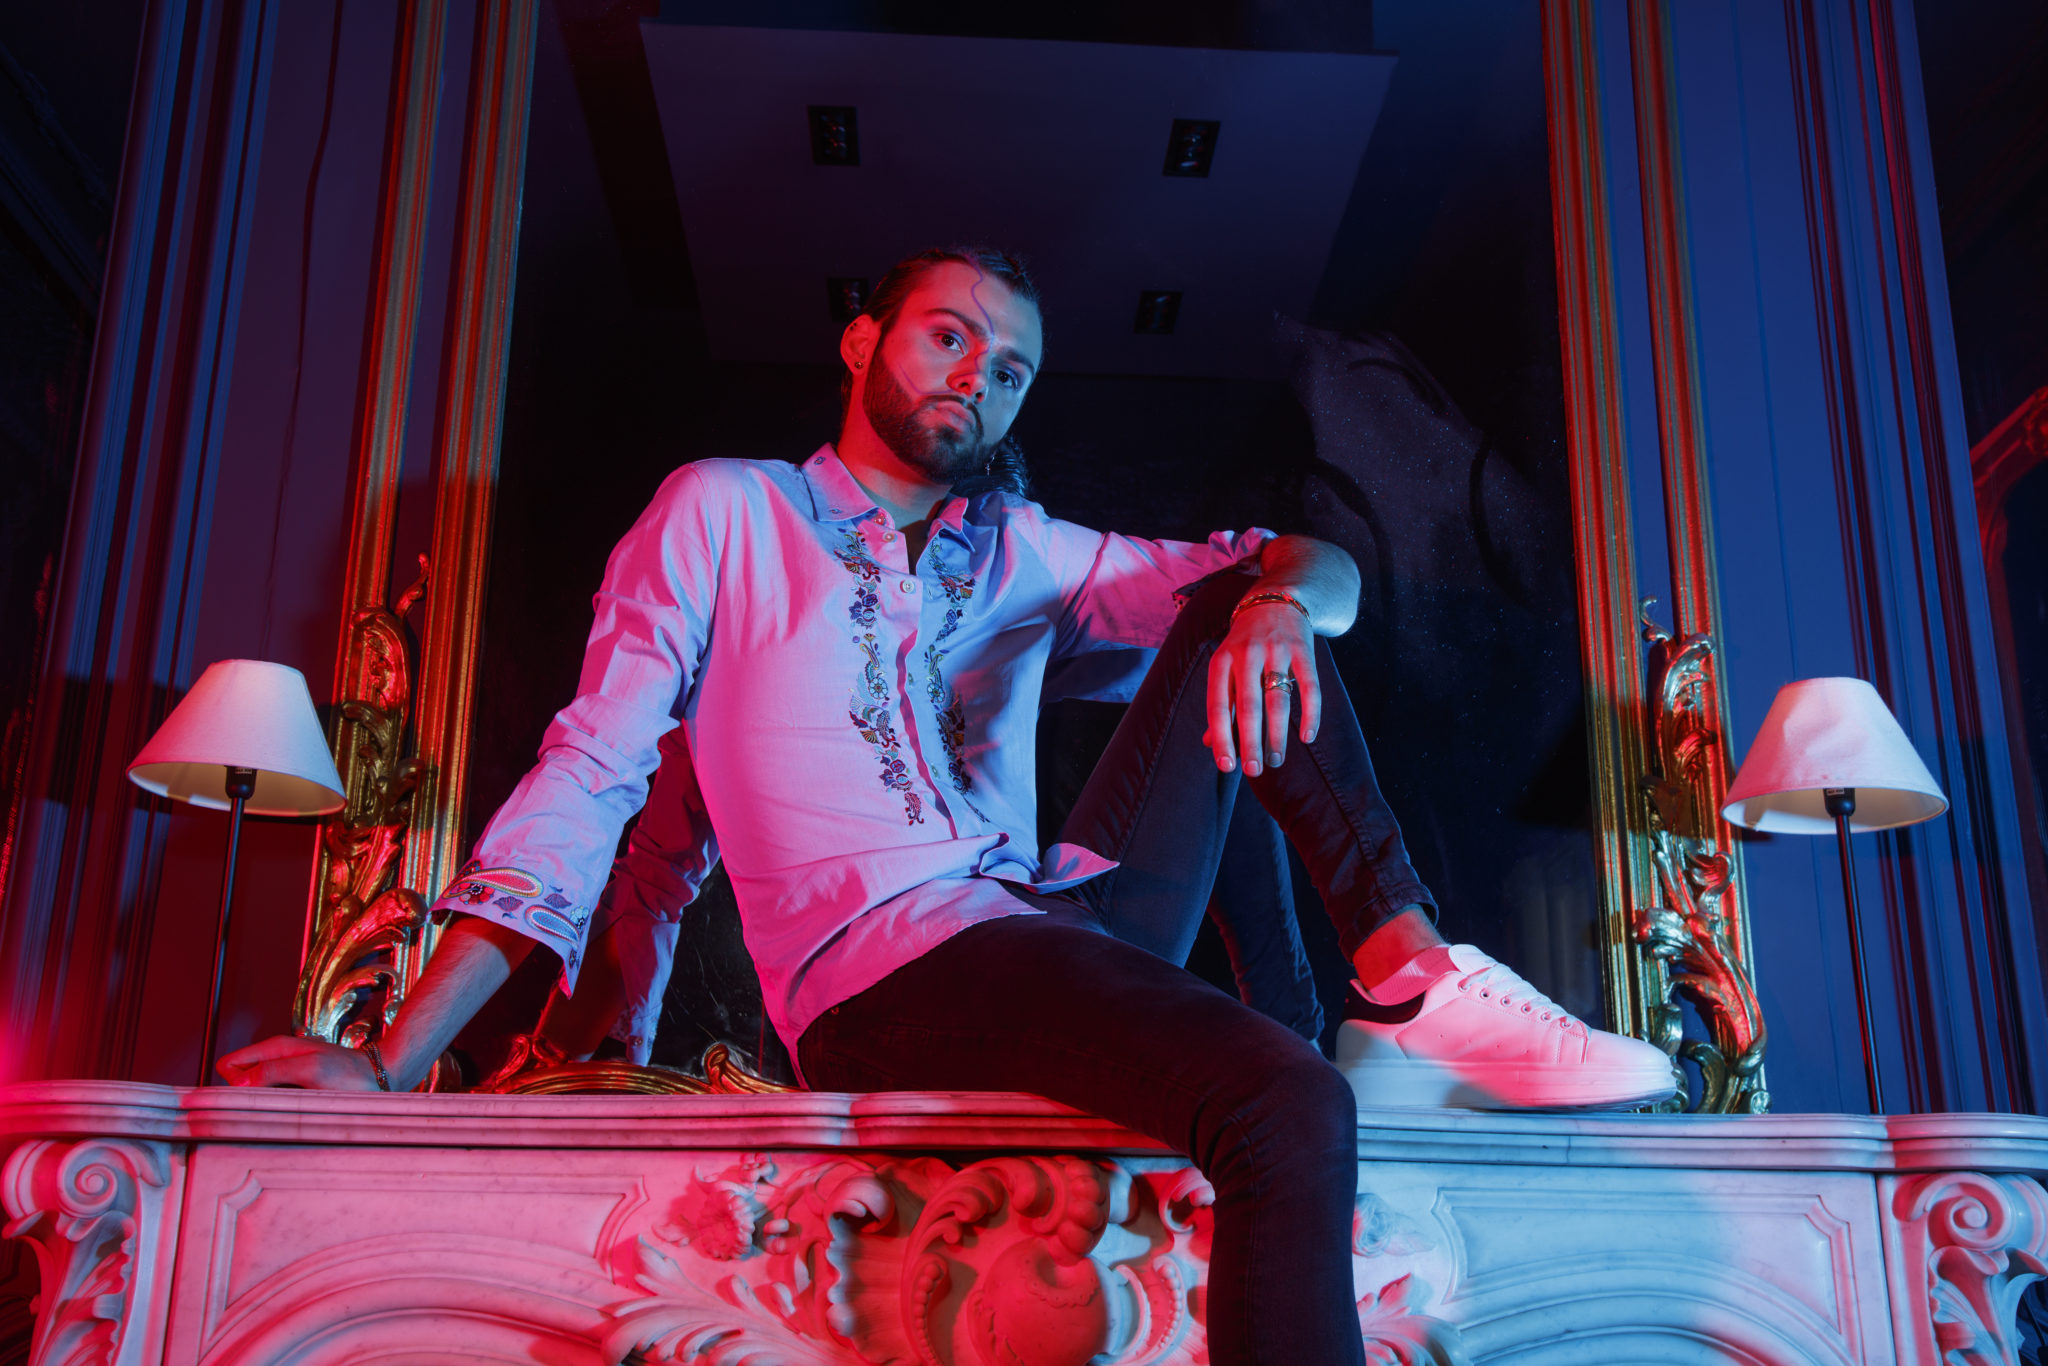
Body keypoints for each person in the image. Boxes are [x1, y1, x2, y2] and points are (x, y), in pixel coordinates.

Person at [223, 246, 1673, 1363]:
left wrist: (1283, 600)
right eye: (950, 334)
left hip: (1050, 929)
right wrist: (400, 1061)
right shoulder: (725, 513)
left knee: (1245, 604)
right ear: (864, 341)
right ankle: (1354, 1025)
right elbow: (600, 777)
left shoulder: (1022, 550)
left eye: (1013, 367)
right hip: (883, 975)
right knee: (1287, 1104)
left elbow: (1310, 563)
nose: (979, 374)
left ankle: (1410, 978)